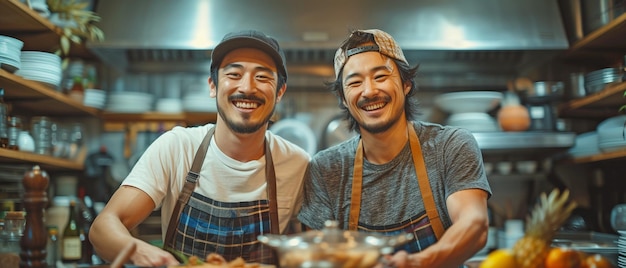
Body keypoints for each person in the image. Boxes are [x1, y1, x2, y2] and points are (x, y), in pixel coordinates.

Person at [90, 30, 310, 267]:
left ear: (279, 92)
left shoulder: (298, 164)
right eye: (234, 74)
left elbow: (317, 247)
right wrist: (139, 251)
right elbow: (103, 227)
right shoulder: (177, 147)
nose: (247, 87)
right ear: (213, 86)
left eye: (263, 77)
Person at [297, 29, 492, 268]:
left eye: (380, 77)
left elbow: (474, 225)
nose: (369, 91)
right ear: (343, 99)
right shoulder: (326, 169)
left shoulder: (449, 146)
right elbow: (315, 256)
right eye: (355, 82)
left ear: (406, 83)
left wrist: (416, 263)